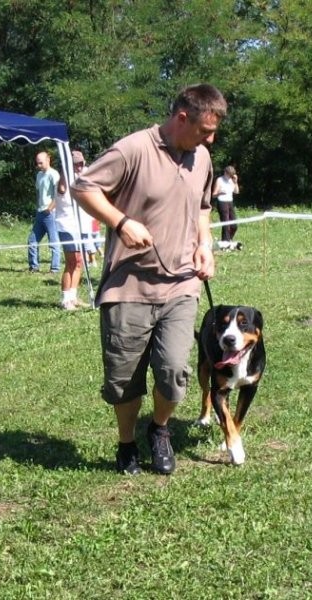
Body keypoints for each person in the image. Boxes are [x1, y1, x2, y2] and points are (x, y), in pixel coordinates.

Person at [70, 83, 226, 476]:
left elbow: (203, 208)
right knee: (124, 380)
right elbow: (83, 187)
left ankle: (159, 430)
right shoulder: (133, 149)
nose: (211, 139)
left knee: (175, 372)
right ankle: (126, 444)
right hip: (129, 288)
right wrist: (120, 222)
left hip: (181, 285)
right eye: (205, 130)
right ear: (182, 117)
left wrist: (204, 244)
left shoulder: (202, 157)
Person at [54, 170, 84, 310]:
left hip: (79, 226)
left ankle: (73, 297)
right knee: (71, 262)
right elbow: (61, 189)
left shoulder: (81, 178)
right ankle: (66, 300)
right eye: (75, 164)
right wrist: (66, 172)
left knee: (79, 262)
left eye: (81, 163)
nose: (79, 167)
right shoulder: (62, 182)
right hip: (66, 226)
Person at [27, 151, 61, 273]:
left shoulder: (54, 174)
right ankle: (33, 267)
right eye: (37, 163)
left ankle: (55, 268)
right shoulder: (39, 175)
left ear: (48, 160)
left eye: (41, 163)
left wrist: (50, 208)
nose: (39, 166)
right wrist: (39, 207)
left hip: (50, 213)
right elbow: (38, 192)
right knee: (32, 241)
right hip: (40, 213)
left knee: (53, 242)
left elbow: (58, 194)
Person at [212, 165, 239, 245]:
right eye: (229, 175)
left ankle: (229, 239)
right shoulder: (219, 180)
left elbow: (236, 192)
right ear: (225, 173)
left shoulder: (231, 180)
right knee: (226, 224)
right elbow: (214, 194)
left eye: (231, 175)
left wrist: (235, 182)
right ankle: (225, 242)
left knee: (234, 224)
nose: (230, 176)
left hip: (230, 202)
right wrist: (220, 193)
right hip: (222, 202)